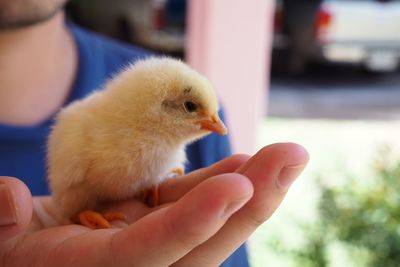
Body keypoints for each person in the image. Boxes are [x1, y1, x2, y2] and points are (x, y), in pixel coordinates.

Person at [0, 1, 309, 266]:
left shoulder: (196, 145)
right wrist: (78, 212)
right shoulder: (79, 128)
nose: (214, 124)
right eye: (190, 107)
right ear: (159, 107)